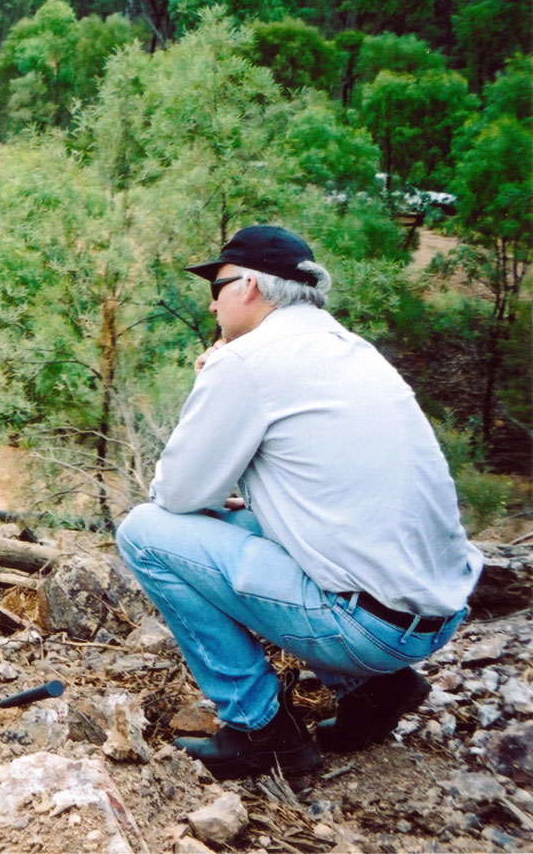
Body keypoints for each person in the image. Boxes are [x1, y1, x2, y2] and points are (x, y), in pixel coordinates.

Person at [116, 225, 484, 780]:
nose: (212, 300)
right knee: (238, 517)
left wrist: (211, 381)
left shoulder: (247, 361)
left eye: (216, 285)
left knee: (145, 531)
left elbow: (175, 494)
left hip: (366, 630)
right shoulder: (349, 349)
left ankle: (262, 733)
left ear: (250, 288)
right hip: (433, 614)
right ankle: (374, 692)